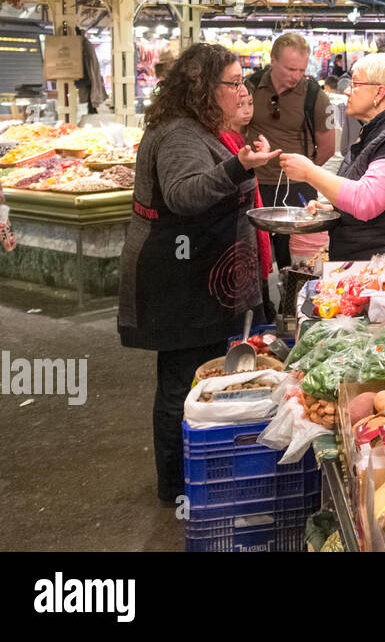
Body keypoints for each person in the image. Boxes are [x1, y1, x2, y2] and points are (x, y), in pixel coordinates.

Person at [117, 43, 282, 503]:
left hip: (197, 276)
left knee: (193, 374)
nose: (241, 90)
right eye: (233, 83)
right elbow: (183, 195)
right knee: (179, 381)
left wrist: (242, 160)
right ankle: (175, 486)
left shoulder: (198, 128)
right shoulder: (179, 134)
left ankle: (191, 472)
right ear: (205, 89)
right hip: (176, 278)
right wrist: (237, 166)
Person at [279, 53, 385, 261]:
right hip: (372, 263)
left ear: (379, 93)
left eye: (355, 84)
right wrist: (334, 207)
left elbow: (366, 201)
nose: (347, 90)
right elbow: (383, 200)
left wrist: (309, 173)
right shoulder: (381, 131)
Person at [244, 33, 335, 268]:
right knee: (252, 253)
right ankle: (262, 303)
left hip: (297, 189)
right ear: (273, 60)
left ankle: (294, 299)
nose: (296, 76)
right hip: (255, 185)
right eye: (290, 69)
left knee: (298, 258)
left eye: (301, 70)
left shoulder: (316, 96)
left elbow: (327, 148)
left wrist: (303, 173)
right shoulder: (250, 88)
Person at [218, 84, 274, 312]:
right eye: (240, 104)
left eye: (250, 103)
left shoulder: (242, 138)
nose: (246, 109)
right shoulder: (220, 138)